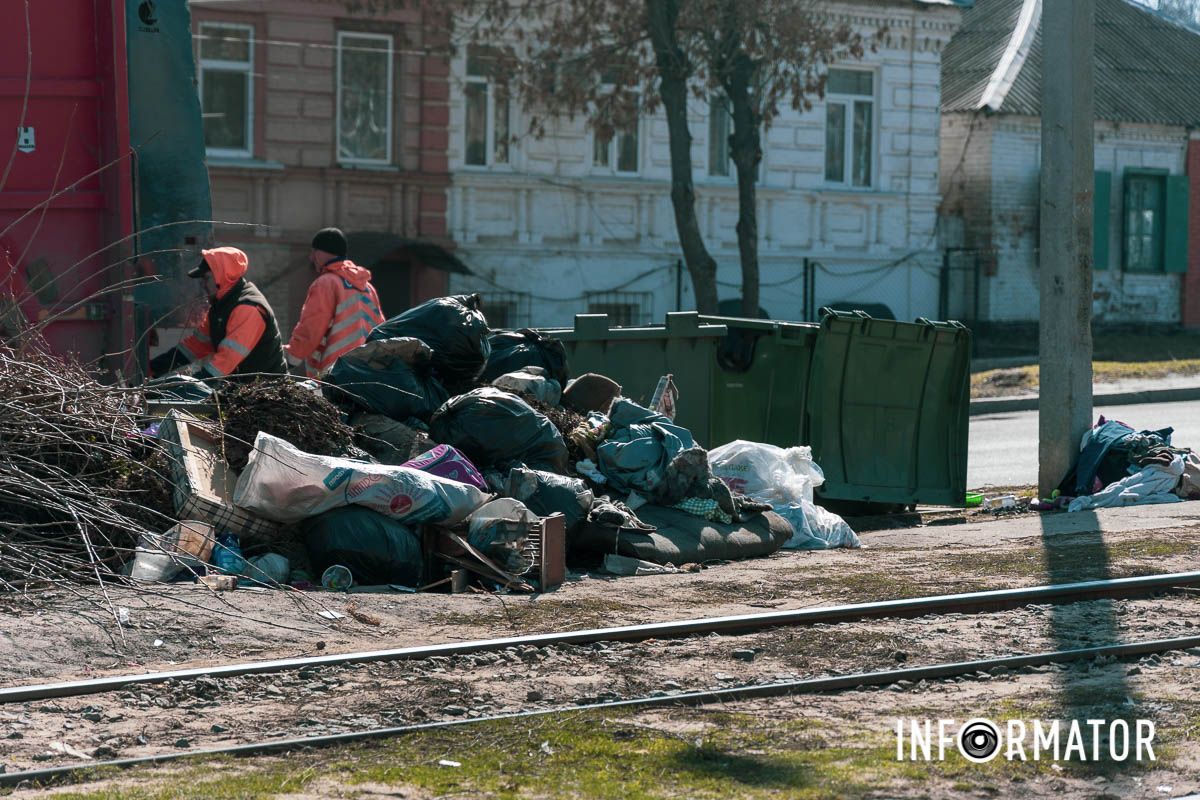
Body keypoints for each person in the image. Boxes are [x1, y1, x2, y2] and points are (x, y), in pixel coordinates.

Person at [148, 246, 287, 381]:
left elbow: (225, 362)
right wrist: (152, 368)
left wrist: (190, 387)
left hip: (266, 394)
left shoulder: (248, 308)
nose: (202, 285)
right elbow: (195, 347)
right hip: (245, 392)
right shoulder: (221, 306)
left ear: (222, 276)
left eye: (206, 278)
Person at [284, 227, 384, 377]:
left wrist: (291, 358)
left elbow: (311, 328)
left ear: (322, 252)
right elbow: (381, 328)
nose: (311, 258)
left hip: (335, 373)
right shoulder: (367, 287)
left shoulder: (326, 283)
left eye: (314, 252)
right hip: (367, 373)